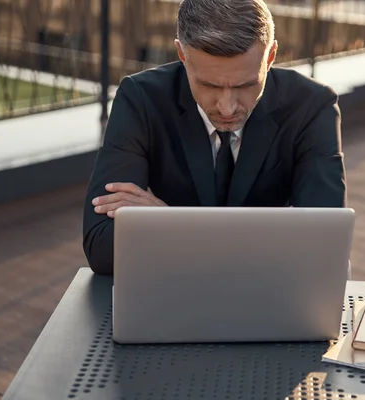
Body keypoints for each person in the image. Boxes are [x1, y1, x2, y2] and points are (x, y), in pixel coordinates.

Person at [83, 0, 347, 275]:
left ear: (270, 57)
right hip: (173, 292)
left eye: (246, 85)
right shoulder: (141, 99)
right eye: (209, 85)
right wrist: (267, 241)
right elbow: (103, 248)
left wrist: (168, 222)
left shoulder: (311, 106)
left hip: (264, 298)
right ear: (182, 55)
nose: (227, 107)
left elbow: (323, 245)